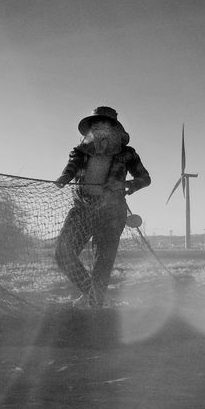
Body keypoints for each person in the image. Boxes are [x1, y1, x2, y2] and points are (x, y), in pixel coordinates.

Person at [54, 106, 150, 305]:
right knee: (63, 254)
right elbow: (71, 167)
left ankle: (94, 304)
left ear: (115, 129)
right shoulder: (80, 151)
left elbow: (145, 178)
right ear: (91, 129)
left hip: (113, 212)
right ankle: (92, 294)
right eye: (96, 124)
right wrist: (64, 177)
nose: (100, 128)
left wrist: (124, 184)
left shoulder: (128, 153)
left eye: (105, 124)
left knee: (103, 262)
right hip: (83, 208)